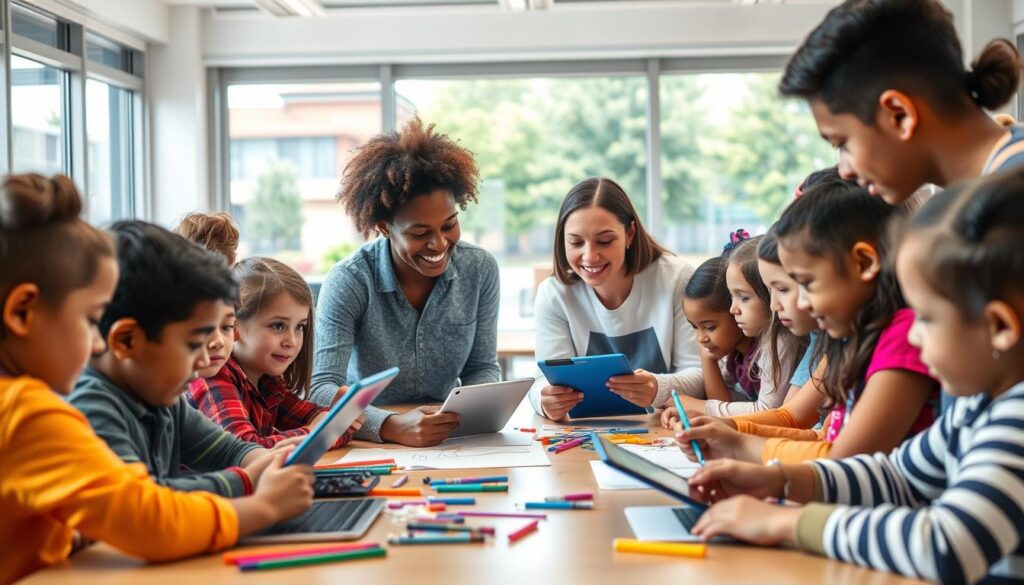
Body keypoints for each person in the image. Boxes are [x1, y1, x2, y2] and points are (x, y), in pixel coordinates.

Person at [685, 169, 1024, 585]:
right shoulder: (976, 405)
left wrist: (786, 524)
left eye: (929, 319)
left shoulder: (1017, 419)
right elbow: (897, 476)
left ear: (1000, 328)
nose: (914, 334)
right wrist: (778, 479)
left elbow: (947, 545)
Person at [0, 174, 311, 584]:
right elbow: (148, 518)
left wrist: (256, 469)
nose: (97, 343)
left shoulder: (38, 403)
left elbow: (223, 453)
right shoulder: (29, 412)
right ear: (23, 313)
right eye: (92, 320)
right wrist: (265, 505)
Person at [674, 180, 939, 464]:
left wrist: (739, 442)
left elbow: (841, 457)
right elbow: (820, 437)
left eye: (804, 283)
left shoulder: (901, 339)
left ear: (863, 263)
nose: (792, 304)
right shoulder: (850, 339)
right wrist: (731, 430)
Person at [312, 117, 499, 446]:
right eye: (420, 233)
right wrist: (389, 425)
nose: (439, 244)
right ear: (385, 227)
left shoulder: (480, 269)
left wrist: (466, 414)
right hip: (368, 442)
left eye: (449, 225)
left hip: (446, 437)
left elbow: (482, 367)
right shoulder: (350, 280)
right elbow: (321, 388)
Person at [778, 0, 1024, 204]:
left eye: (842, 144)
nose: (845, 171)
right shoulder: (985, 193)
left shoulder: (1009, 203)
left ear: (899, 115)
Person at [529, 177, 701, 420]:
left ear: (630, 234)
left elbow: (701, 374)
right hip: (586, 433)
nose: (589, 256)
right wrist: (543, 400)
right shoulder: (554, 294)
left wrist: (657, 388)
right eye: (576, 242)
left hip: (664, 430)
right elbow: (542, 381)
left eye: (605, 241)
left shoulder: (676, 279)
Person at [190, 257, 358, 448]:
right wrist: (315, 433)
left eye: (300, 327)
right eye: (278, 326)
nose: (292, 341)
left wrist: (333, 419)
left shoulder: (268, 379)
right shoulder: (213, 376)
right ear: (234, 326)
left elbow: (335, 428)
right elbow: (244, 450)